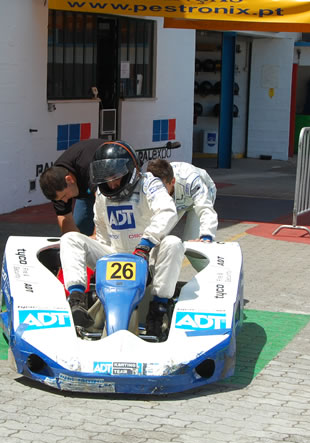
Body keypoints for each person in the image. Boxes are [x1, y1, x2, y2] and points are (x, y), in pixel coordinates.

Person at [59, 141, 184, 339]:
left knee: (174, 243)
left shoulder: (149, 184)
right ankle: (76, 300)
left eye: (116, 178)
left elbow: (168, 212)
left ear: (131, 171)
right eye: (107, 179)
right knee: (70, 239)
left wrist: (145, 245)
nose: (112, 184)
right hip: (114, 255)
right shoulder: (101, 193)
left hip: (146, 256)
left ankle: (158, 310)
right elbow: (100, 228)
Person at [39, 138, 106, 236]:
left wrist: (96, 239)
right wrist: (73, 243)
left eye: (64, 196)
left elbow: (104, 205)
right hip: (87, 189)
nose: (65, 201)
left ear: (69, 179)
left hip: (110, 183)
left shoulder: (88, 166)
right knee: (80, 226)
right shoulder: (55, 183)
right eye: (61, 199)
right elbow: (64, 217)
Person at [145, 159, 218, 243]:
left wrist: (206, 235)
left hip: (200, 195)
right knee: (156, 236)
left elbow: (205, 208)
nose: (159, 191)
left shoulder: (192, 180)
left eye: (162, 187)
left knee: (194, 245)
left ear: (172, 181)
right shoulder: (147, 182)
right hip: (177, 198)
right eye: (155, 187)